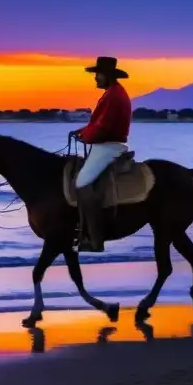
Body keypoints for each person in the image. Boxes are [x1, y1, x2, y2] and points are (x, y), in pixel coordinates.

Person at [68, 56, 132, 252]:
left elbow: (102, 128)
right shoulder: (112, 93)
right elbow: (97, 125)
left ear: (108, 76)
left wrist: (86, 136)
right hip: (106, 144)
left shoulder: (114, 96)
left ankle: (95, 239)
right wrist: (82, 131)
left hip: (108, 146)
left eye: (98, 74)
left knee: (81, 183)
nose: (95, 78)